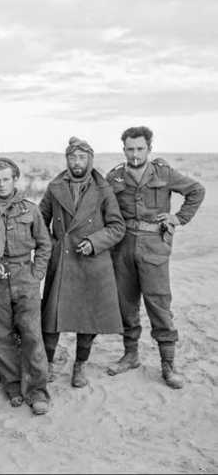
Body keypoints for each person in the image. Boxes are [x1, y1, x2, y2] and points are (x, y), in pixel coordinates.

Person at [106, 126, 205, 388]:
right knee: (125, 303)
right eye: (130, 149)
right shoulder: (114, 177)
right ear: (123, 149)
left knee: (159, 303)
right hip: (123, 246)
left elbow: (196, 191)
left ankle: (168, 364)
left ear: (150, 148)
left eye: (140, 148)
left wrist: (178, 218)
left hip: (154, 247)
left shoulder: (163, 173)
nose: (135, 153)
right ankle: (130, 355)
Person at [39, 137, 126, 387]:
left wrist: (94, 242)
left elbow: (117, 226)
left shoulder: (103, 189)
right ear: (66, 160)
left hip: (92, 262)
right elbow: (39, 220)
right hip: (63, 260)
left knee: (88, 317)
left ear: (90, 159)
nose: (76, 162)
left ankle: (80, 366)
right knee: (52, 317)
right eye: (72, 157)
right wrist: (54, 244)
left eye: (81, 157)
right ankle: (47, 363)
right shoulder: (55, 187)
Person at [0, 158, 51, 415]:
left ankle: (38, 389)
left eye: (6, 179)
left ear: (15, 179)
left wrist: (36, 273)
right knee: (1, 335)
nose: (2, 184)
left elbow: (44, 244)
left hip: (23, 276)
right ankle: (13, 384)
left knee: (31, 334)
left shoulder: (30, 210)